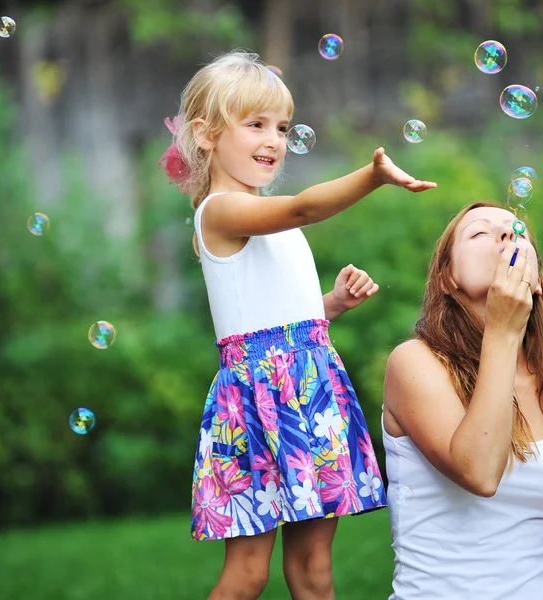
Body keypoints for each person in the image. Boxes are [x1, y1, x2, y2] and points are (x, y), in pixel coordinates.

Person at [159, 50, 436, 600]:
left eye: (282, 127)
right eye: (256, 125)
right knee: (248, 575)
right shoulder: (219, 210)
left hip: (308, 389)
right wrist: (373, 174)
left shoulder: (266, 217)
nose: (275, 139)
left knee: (314, 568)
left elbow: (271, 312)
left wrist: (328, 305)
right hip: (257, 403)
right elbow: (305, 207)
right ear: (206, 134)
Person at [382, 201, 543, 599]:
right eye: (479, 233)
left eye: (514, 231)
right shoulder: (413, 362)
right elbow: (479, 472)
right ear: (447, 280)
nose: (505, 236)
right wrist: (504, 331)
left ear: (536, 278)